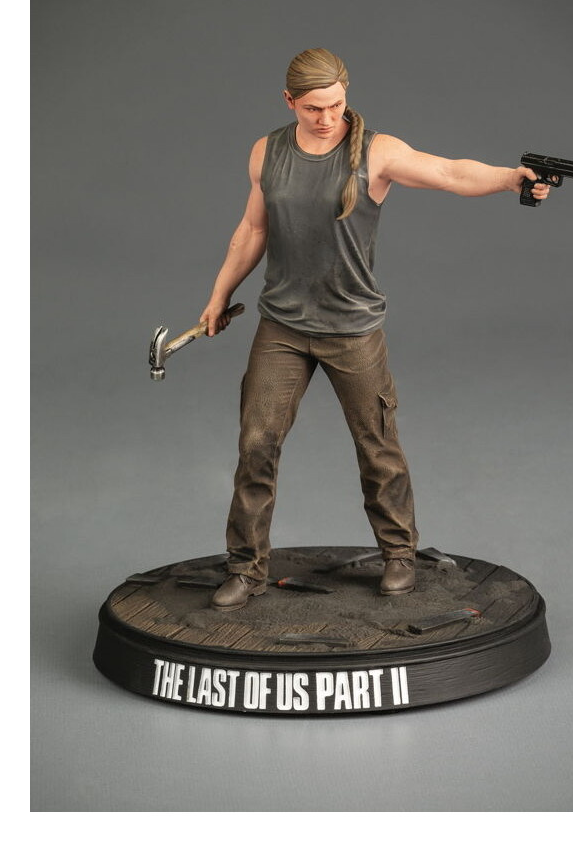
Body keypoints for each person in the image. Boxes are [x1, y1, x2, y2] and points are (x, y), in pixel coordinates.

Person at [200, 48, 550, 611]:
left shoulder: (376, 151)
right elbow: (252, 228)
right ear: (289, 101)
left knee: (377, 445)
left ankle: (399, 554)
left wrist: (512, 179)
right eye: (313, 108)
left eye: (336, 105)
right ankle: (246, 567)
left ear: (346, 94)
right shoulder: (267, 152)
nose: (327, 117)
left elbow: (449, 172)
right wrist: (219, 295)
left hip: (352, 329)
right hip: (282, 327)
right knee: (256, 445)